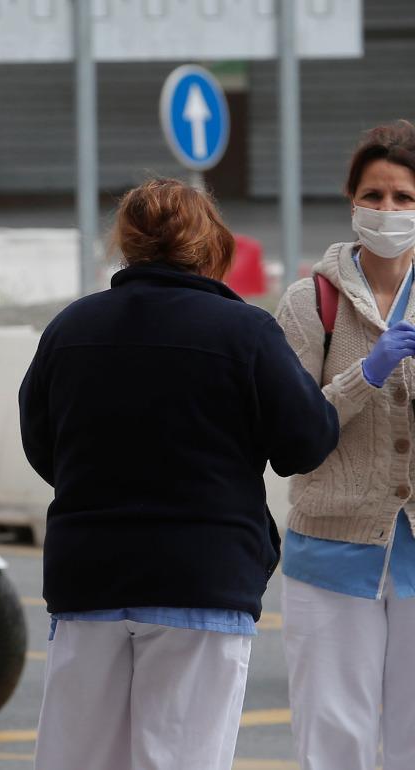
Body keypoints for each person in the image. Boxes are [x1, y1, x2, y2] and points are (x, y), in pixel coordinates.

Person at [19, 178, 339, 770]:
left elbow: (42, 447)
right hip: (203, 581)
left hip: (88, 578)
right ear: (210, 242)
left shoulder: (71, 328)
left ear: (127, 242)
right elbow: (306, 442)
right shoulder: (244, 332)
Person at [273, 119, 415, 770]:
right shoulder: (311, 303)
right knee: (333, 740)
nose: (387, 210)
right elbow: (291, 433)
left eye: (404, 198)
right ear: (351, 201)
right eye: (373, 195)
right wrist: (368, 373)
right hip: (332, 551)